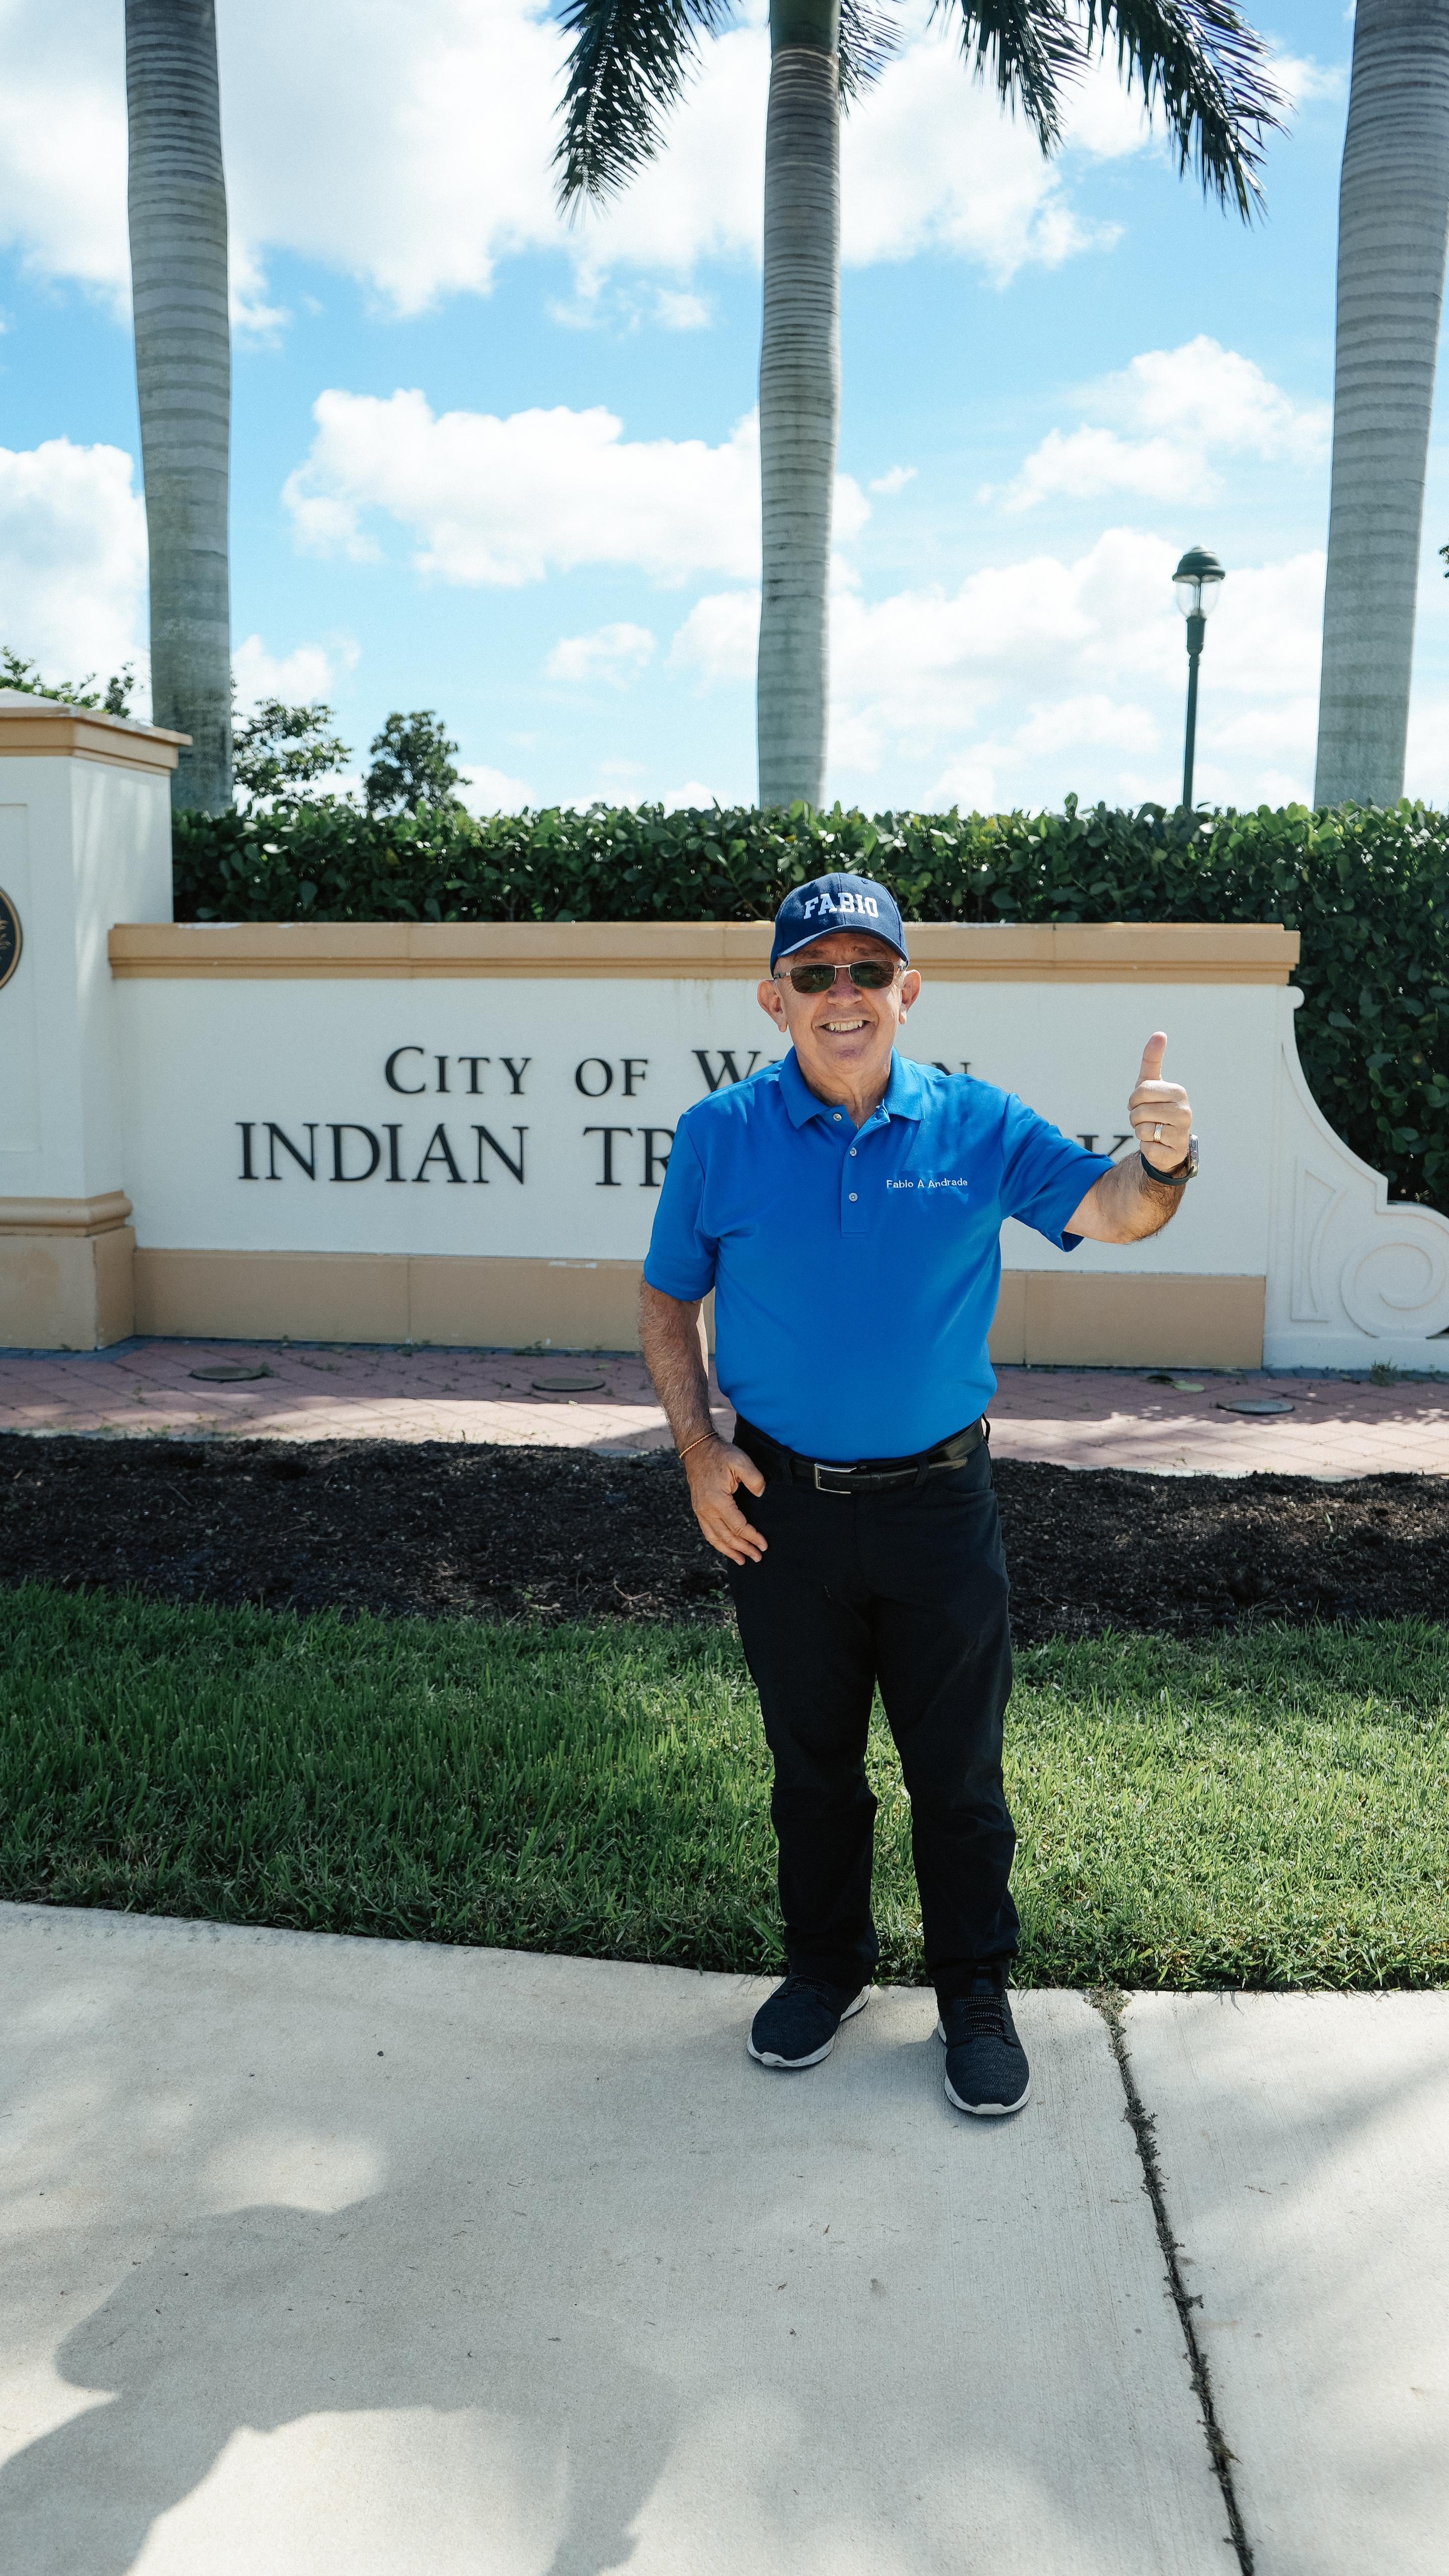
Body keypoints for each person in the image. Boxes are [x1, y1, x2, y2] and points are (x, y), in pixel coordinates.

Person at [639, 871, 1196, 2118]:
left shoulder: (977, 1123)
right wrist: (695, 1448)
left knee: (960, 1769)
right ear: (773, 995)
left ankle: (974, 1994)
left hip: (943, 1505)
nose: (846, 996)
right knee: (812, 1763)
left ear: (910, 989)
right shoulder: (720, 1134)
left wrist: (1166, 1157)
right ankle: (827, 1968)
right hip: (779, 1501)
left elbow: (1113, 1209)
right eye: (818, 973)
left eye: (869, 971)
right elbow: (668, 1295)